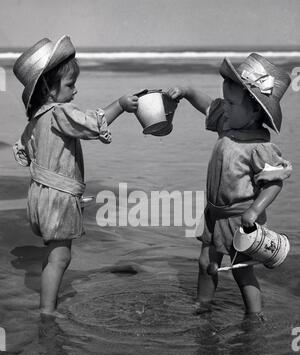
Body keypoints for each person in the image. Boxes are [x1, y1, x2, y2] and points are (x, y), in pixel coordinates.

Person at [13, 35, 138, 317]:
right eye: (69, 85)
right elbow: (91, 124)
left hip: (40, 195)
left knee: (54, 253)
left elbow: (24, 153)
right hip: (56, 199)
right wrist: (119, 104)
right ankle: (47, 310)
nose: (75, 91)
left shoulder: (37, 119)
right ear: (47, 88)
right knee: (60, 256)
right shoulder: (59, 113)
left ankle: (47, 304)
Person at [167, 53, 292, 315]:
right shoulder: (227, 123)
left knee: (242, 272)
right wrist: (187, 91)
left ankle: (254, 315)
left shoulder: (260, 147)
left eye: (232, 103)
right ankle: (203, 304)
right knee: (206, 263)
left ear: (256, 109)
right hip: (215, 215)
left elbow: (274, 184)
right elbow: (208, 106)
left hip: (241, 219)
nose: (225, 107)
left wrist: (255, 211)